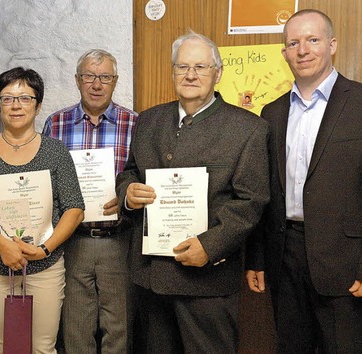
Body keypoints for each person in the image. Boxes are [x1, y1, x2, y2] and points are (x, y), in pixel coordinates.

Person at [245, 9, 362, 353]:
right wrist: (256, 258)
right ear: (284, 52)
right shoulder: (271, 113)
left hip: (346, 263)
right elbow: (266, 193)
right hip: (283, 258)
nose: (303, 50)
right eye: (293, 42)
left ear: (331, 45)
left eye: (313, 40)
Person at [115, 31, 269, 353]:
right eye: (182, 66)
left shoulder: (248, 128)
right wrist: (128, 192)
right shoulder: (149, 120)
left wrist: (210, 246)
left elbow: (251, 200)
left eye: (200, 66)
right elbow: (130, 171)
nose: (190, 75)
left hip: (207, 281)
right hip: (150, 277)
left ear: (218, 72)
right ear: (172, 72)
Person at [0, 67, 85, 353]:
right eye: (7, 98)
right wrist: (3, 246)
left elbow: (74, 208)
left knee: (42, 348)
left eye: (25, 98)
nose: (16, 105)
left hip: (44, 266)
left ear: (38, 106)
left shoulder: (55, 150)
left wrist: (44, 249)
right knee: (3, 347)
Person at [42, 49, 137, 354]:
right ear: (77, 80)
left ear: (115, 81)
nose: (97, 84)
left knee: (118, 329)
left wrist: (126, 196)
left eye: (105, 77)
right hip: (73, 241)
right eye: (89, 76)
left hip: (119, 239)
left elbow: (144, 176)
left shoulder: (136, 123)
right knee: (76, 329)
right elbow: (44, 179)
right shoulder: (55, 124)